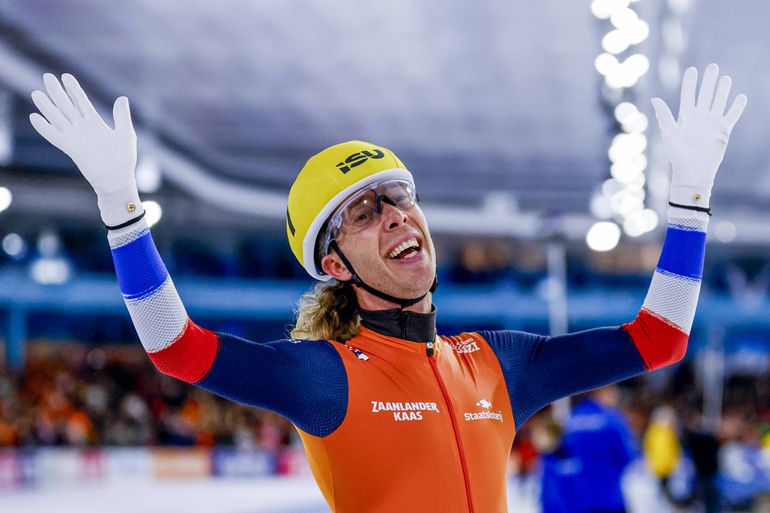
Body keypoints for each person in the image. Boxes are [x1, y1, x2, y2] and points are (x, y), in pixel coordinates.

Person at [28, 64, 746, 512]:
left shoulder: (499, 364)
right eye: (365, 213)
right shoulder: (326, 377)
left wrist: (688, 204)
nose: (398, 217)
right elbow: (176, 349)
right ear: (334, 263)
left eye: (400, 198)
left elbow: (660, 337)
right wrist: (122, 208)